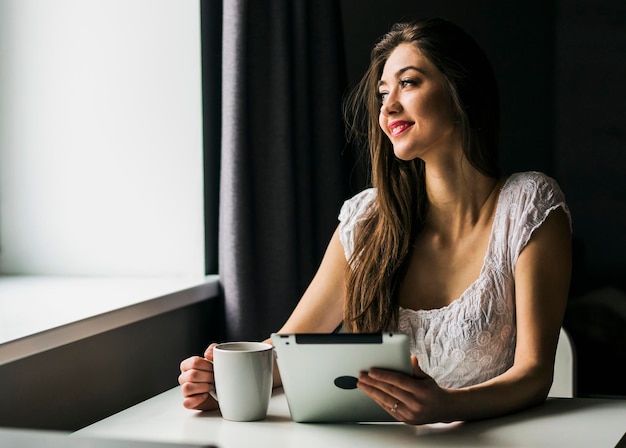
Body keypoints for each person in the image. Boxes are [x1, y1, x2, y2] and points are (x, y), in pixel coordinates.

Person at [179, 17, 572, 425]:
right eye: (383, 93)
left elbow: (534, 374)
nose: (387, 107)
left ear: (461, 92)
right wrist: (222, 382)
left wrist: (447, 406)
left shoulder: (529, 207)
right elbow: (287, 349)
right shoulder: (367, 221)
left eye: (409, 83)